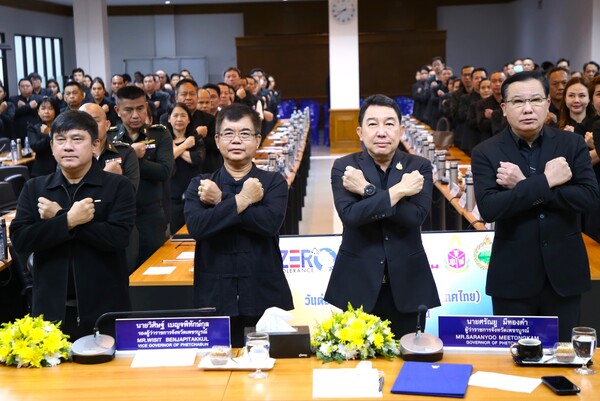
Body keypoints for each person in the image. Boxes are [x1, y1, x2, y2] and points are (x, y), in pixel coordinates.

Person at [471, 71, 600, 341]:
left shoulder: (571, 144)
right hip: (512, 278)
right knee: (513, 360)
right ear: (504, 108)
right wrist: (547, 181)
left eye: (536, 100)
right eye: (518, 102)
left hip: (564, 276)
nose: (528, 109)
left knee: (564, 357)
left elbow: (588, 198)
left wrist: (523, 184)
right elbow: (490, 208)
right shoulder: (486, 151)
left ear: (548, 103)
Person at [10, 110, 136, 340]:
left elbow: (117, 238)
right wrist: (68, 220)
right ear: (51, 147)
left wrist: (59, 215)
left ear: (95, 145)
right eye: (60, 140)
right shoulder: (35, 188)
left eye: (77, 139)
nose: (68, 147)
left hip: (105, 309)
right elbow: (21, 239)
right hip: (50, 311)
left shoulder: (118, 186)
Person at [324, 94, 440, 339]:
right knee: (357, 358)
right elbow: (351, 216)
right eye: (372, 124)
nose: (381, 132)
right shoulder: (345, 167)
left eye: (389, 123)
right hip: (357, 282)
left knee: (409, 357)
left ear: (401, 130)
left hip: (409, 284)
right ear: (360, 132)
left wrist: (366, 191)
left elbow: (415, 217)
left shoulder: (419, 166)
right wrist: (399, 192)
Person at [183, 103, 293, 347]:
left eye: (244, 134)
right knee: (216, 365)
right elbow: (197, 227)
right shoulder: (201, 184)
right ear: (217, 140)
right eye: (228, 133)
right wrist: (242, 200)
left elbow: (269, 223)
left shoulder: (273, 182)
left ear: (257, 140)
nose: (236, 140)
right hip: (215, 296)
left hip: (263, 295)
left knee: (267, 365)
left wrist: (221, 201)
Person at [110, 85, 174, 267]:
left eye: (140, 108)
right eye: (128, 110)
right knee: (122, 268)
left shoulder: (159, 134)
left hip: (150, 215)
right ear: (117, 110)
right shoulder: (109, 137)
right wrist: (131, 153)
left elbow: (164, 171)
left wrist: (128, 159)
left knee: (154, 269)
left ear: (146, 107)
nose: (135, 115)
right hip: (118, 216)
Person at [167, 102, 205, 234]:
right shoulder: (164, 140)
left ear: (189, 120)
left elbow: (196, 159)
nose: (179, 119)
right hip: (172, 194)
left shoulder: (195, 139)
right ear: (169, 119)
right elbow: (166, 160)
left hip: (193, 192)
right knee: (175, 234)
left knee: (196, 231)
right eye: (175, 115)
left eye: (183, 115)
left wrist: (175, 149)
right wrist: (185, 146)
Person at [27, 97, 60, 177]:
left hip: (61, 167)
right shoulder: (33, 128)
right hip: (42, 170)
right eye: (43, 108)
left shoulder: (61, 126)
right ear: (38, 111)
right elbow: (35, 146)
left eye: (50, 108)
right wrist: (50, 135)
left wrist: (50, 132)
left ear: (55, 111)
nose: (46, 112)